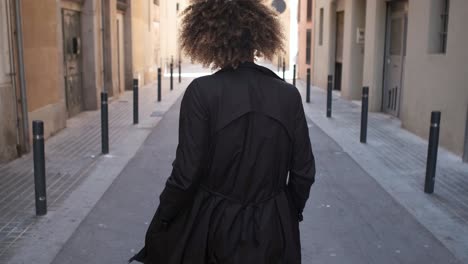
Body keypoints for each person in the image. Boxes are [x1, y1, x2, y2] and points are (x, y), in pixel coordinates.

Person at [129, 0, 315, 263]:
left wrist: (164, 218)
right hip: (274, 228)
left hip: (214, 228)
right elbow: (303, 172)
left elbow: (185, 175)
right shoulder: (288, 95)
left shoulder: (201, 93)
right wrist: (286, 211)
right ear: (259, 37)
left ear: (209, 38)